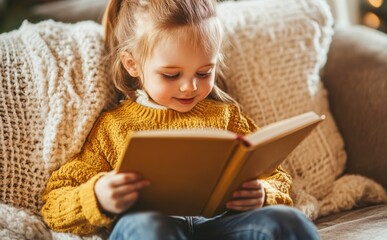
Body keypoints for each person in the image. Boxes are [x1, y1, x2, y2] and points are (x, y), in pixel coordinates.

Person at [41, 0, 320, 239]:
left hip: (220, 226)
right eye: (171, 75)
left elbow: (278, 177)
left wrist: (264, 193)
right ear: (132, 64)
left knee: (288, 222)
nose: (190, 87)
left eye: (203, 72)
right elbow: (54, 202)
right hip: (151, 228)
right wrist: (98, 196)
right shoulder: (114, 128)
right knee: (148, 227)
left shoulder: (225, 116)